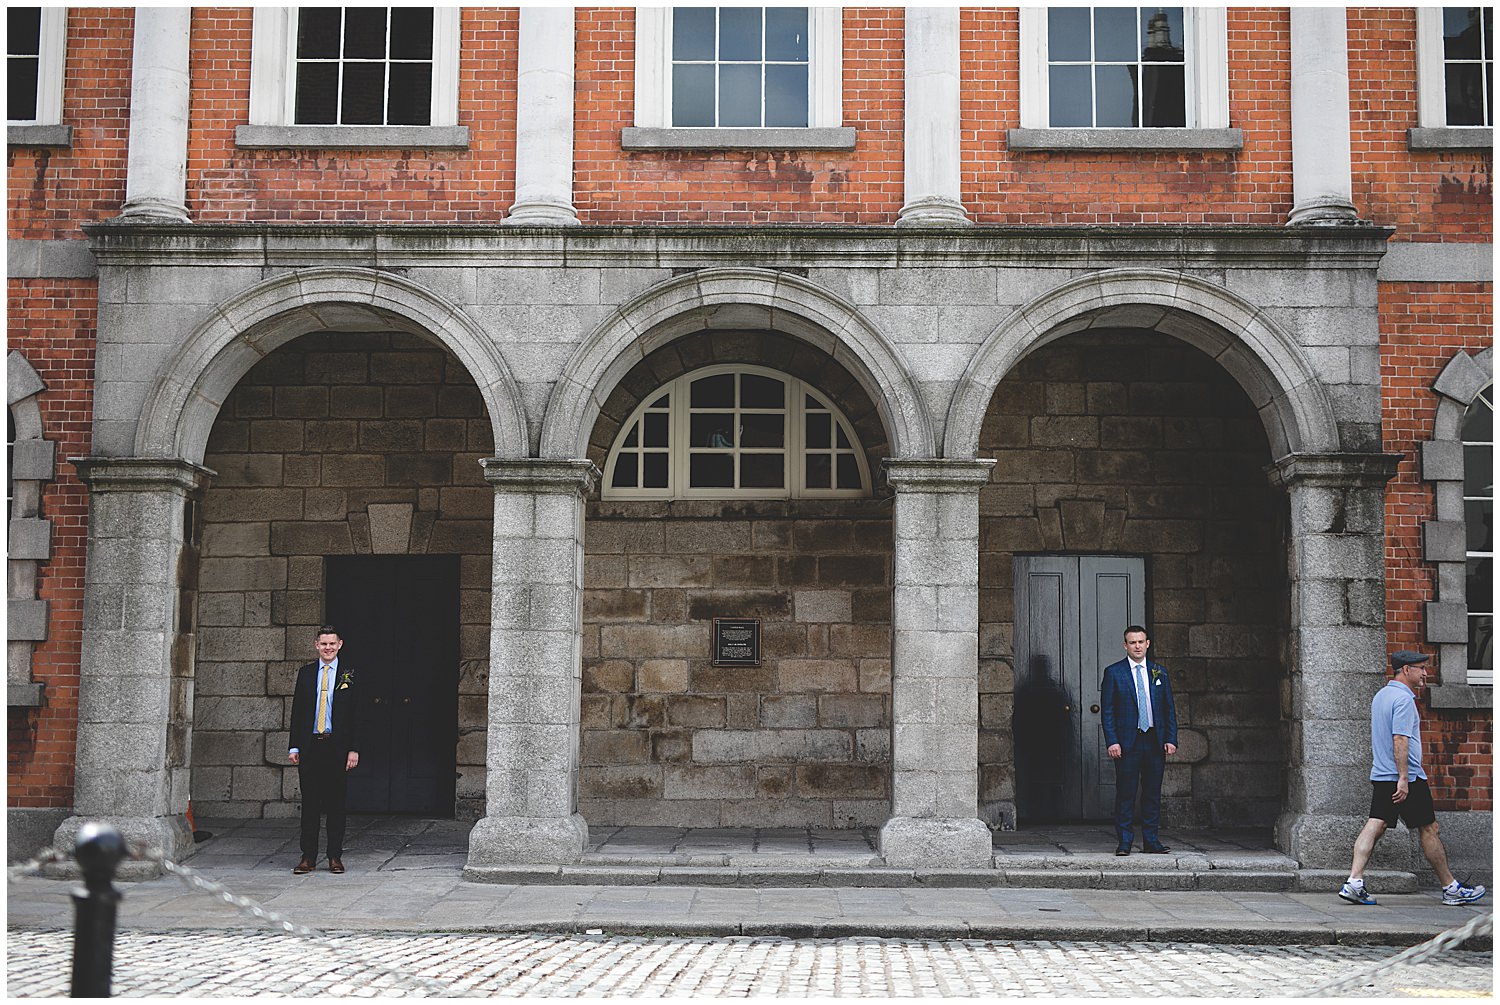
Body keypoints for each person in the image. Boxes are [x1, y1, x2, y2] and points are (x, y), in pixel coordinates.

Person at [1338, 651, 1486, 907]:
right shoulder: (1404, 700)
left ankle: (1354, 881)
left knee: (1376, 824)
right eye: (1421, 668)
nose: (1425, 673)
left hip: (1383, 774)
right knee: (1429, 828)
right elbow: (1400, 739)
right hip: (1406, 777)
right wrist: (1404, 778)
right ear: (1406, 670)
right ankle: (1451, 888)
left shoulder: (1381, 696)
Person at [1100, 625, 1177, 856]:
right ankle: (1124, 842)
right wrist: (1112, 741)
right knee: (1126, 793)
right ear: (1125, 645)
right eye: (1132, 642)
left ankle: (1151, 841)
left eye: (1141, 642)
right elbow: (1108, 711)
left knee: (1152, 793)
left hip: (1154, 741)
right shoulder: (1114, 672)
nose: (1137, 646)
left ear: (1147, 644)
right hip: (1127, 743)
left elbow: (1168, 709)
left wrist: (1171, 738)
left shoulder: (1158, 672)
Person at [288, 625, 360, 874]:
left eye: (332, 643)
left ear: (340, 644)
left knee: (336, 803)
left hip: (337, 747)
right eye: (323, 644)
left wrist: (354, 749)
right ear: (316, 645)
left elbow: (357, 715)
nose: (328, 648)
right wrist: (294, 745)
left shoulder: (349, 674)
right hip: (311, 746)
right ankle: (307, 856)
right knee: (310, 803)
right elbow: (297, 711)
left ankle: (334, 856)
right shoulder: (306, 674)